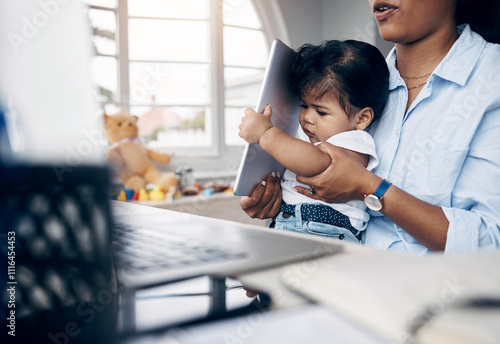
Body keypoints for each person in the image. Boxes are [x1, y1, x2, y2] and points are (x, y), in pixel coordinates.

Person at [240, 0, 500, 254]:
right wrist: (274, 199)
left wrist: (369, 187)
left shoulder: (492, 80)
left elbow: (491, 242)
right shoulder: (351, 84)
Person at [238, 40, 389, 242]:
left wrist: (266, 134)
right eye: (303, 105)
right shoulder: (318, 139)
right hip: (296, 224)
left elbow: (317, 163)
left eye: (320, 111)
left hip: (324, 230)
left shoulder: (357, 142)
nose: (307, 117)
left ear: (361, 119)